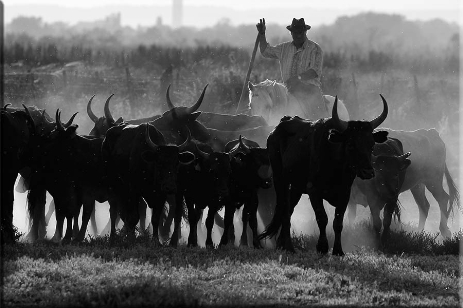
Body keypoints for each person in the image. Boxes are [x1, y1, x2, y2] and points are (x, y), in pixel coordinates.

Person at [256, 18, 325, 118]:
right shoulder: (284, 48)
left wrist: (298, 78)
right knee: (274, 112)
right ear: (291, 33)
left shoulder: (315, 49)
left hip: (310, 91)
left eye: (300, 32)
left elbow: (315, 71)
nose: (298, 35)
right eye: (295, 32)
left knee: (319, 121)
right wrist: (262, 34)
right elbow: (265, 51)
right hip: (289, 91)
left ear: (305, 32)